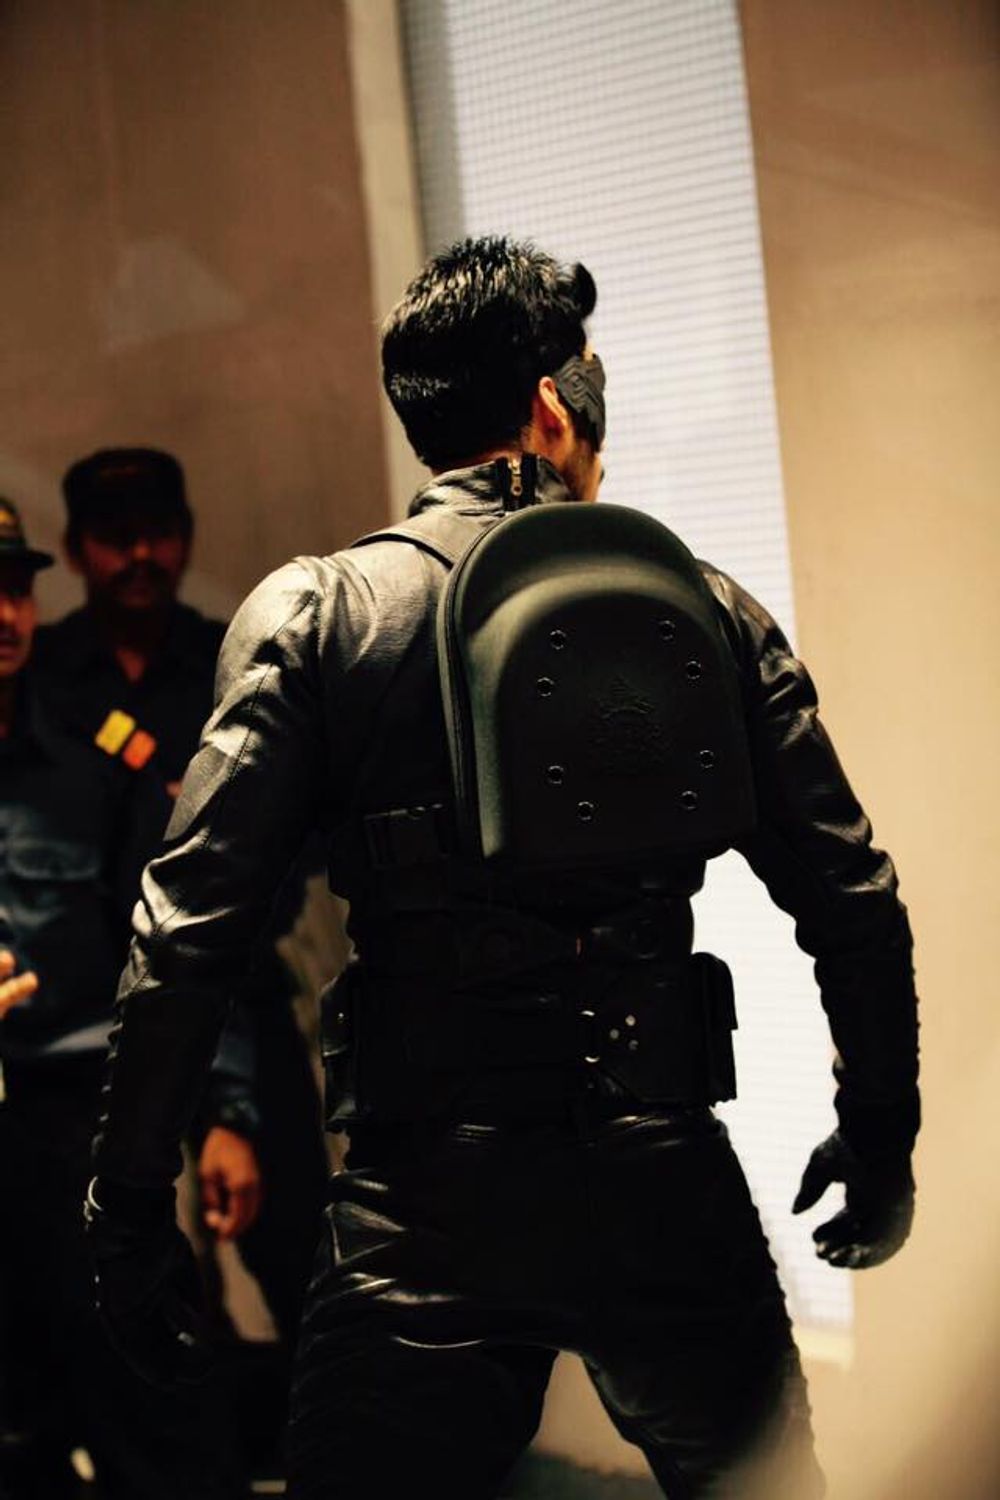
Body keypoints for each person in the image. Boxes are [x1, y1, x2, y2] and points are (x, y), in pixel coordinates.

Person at [85, 238, 919, 1499]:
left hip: (423, 1206)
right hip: (663, 1184)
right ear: (549, 405)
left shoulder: (317, 617)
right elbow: (851, 899)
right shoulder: (704, 607)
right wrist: (880, 1136)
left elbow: (184, 938)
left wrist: (128, 1206)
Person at [33, 448, 329, 1354]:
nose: (141, 556)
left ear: (187, 537)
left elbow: (302, 826)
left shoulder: (233, 661)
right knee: (103, 1279)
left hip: (239, 984)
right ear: (76, 549)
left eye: (158, 534)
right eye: (116, 537)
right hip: (97, 1015)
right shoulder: (45, 678)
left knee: (305, 1263)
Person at [0, 499, 247, 1499]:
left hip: (75, 1132)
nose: (5, 613)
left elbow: (173, 952)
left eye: (15, 588)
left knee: (157, 1410)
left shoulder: (95, 763)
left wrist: (224, 1115)